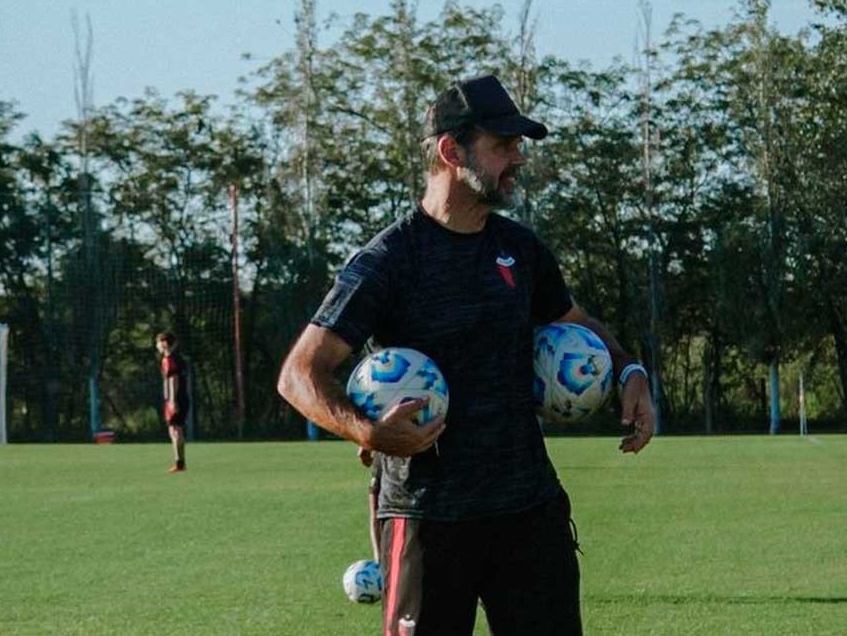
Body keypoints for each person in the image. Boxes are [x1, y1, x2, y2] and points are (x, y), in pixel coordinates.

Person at [277, 74, 656, 636]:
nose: (518, 158)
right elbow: (300, 374)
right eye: (503, 145)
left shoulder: (520, 249)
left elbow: (576, 324)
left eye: (518, 145)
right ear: (452, 152)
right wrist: (369, 431)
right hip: (426, 518)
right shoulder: (388, 261)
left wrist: (629, 369)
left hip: (529, 512)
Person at [155, 332, 188, 473]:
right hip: (182, 397)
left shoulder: (168, 359)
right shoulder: (179, 359)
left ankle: (180, 464)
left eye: (158, 342)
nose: (157, 346)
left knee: (175, 430)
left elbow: (173, 379)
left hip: (175, 399)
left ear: (164, 343)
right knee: (175, 429)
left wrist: (172, 401)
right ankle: (180, 463)